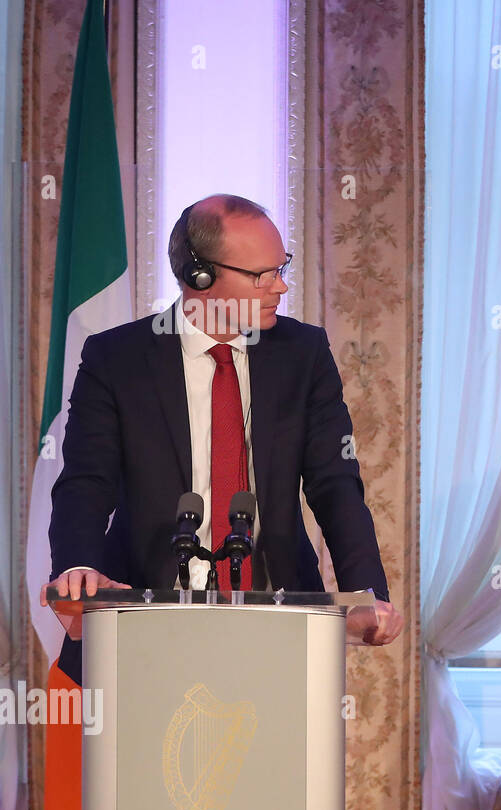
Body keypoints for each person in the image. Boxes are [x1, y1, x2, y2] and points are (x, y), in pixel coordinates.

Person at [40, 194, 404, 678]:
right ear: (201, 278)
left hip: (279, 622)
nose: (282, 285)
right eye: (263, 275)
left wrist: (367, 594)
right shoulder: (116, 359)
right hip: (141, 623)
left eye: (282, 267)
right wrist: (77, 567)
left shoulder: (304, 353)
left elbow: (334, 483)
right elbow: (87, 480)